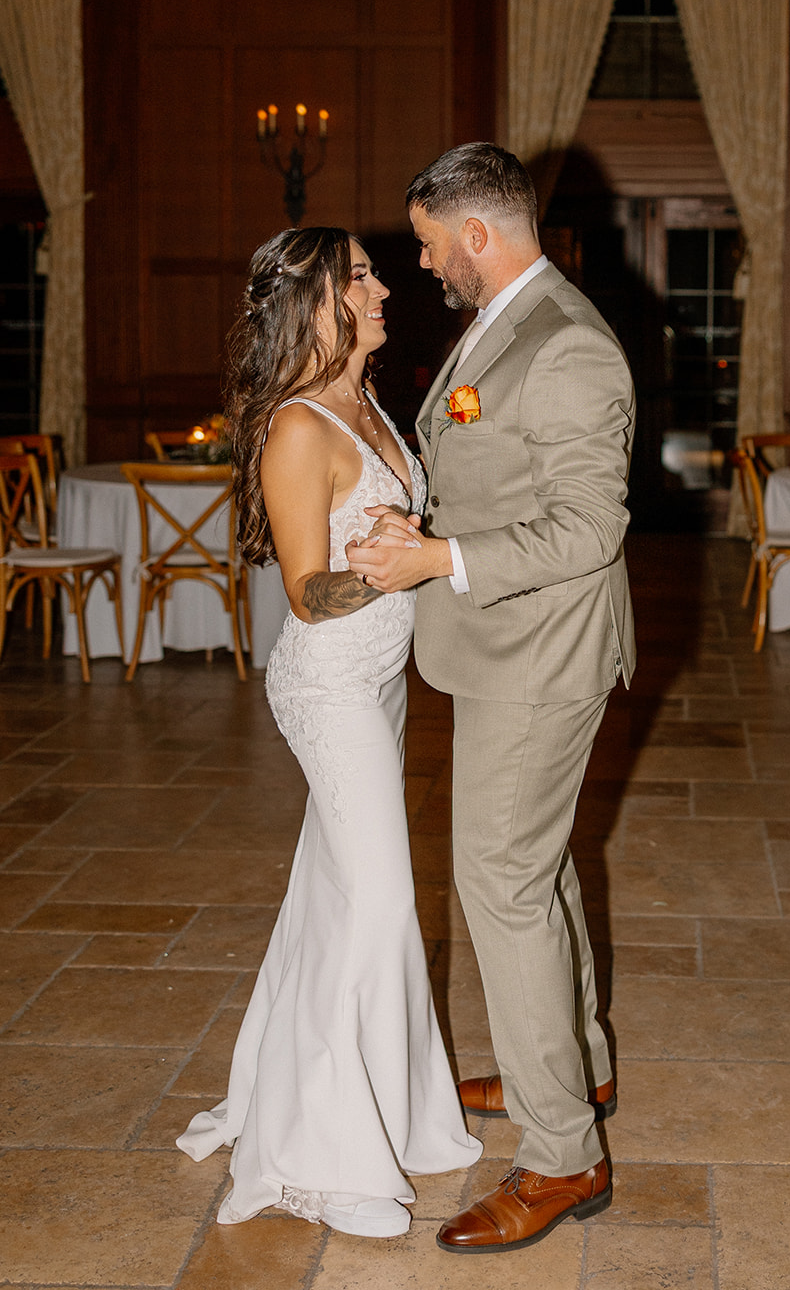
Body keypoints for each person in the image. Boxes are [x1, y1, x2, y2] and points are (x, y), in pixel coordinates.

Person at [349, 143, 636, 1254]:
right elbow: (477, 456)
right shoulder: (511, 318)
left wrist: (437, 561)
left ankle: (562, 1153)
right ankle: (574, 1070)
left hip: (538, 652)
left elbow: (587, 527)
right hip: (505, 642)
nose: (421, 265)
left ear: (476, 235)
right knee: (538, 870)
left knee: (500, 884)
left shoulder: (564, 346)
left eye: (426, 244)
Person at [176, 226, 481, 1237]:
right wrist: (399, 566)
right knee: (381, 898)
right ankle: (321, 1160)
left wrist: (432, 549)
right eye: (362, 275)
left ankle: (349, 1101)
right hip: (329, 686)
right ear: (320, 301)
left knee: (333, 894)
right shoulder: (300, 427)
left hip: (382, 682)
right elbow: (310, 594)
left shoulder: (370, 402)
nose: (384, 285)